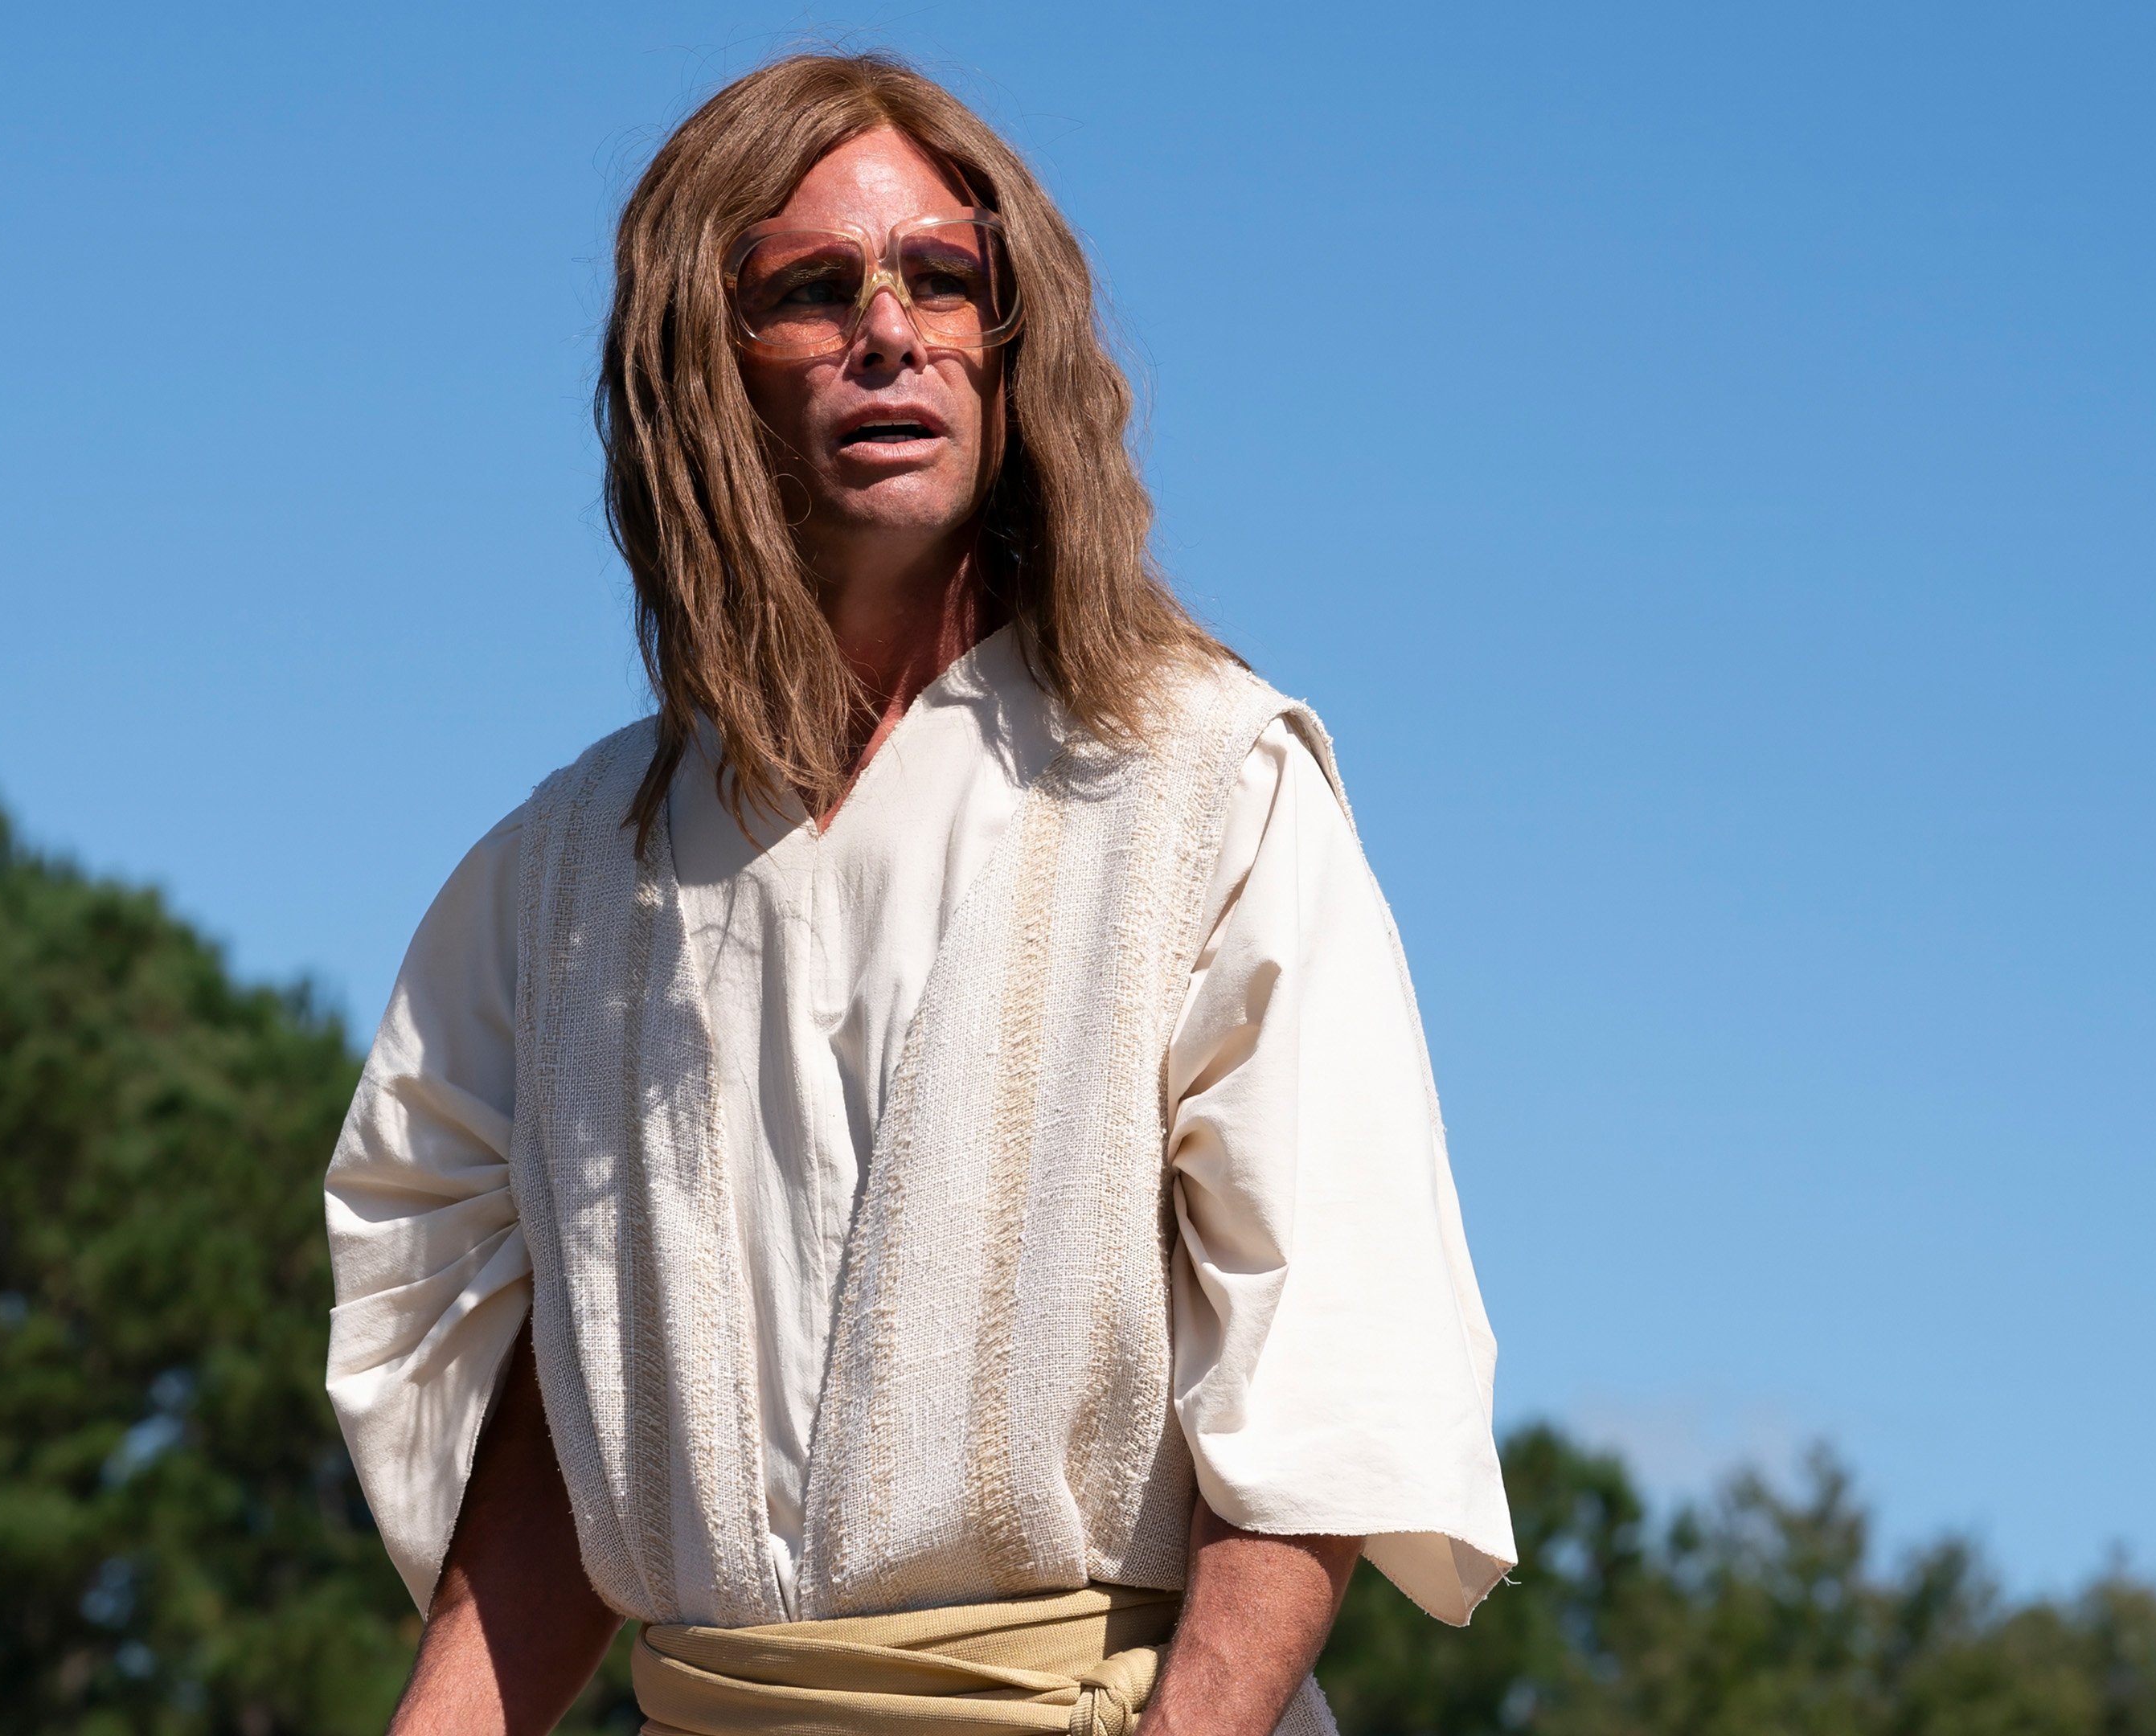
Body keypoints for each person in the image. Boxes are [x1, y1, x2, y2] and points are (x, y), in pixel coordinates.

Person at [324, 51, 1513, 1736]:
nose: (890, 333)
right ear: (698, 370)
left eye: (943, 279)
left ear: (1011, 349)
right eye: (813, 290)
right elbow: (571, 1426)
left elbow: (1323, 1366)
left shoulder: (1204, 785)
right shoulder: (566, 879)